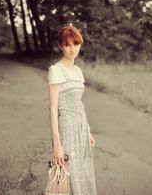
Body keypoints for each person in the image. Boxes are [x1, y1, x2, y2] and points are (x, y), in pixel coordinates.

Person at [47, 24, 97, 195]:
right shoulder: (56, 70)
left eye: (75, 44)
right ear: (61, 46)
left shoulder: (78, 71)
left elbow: (79, 104)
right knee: (69, 173)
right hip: (66, 127)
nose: (72, 49)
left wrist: (88, 131)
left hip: (81, 127)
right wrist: (57, 145)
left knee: (83, 169)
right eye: (67, 45)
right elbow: (53, 110)